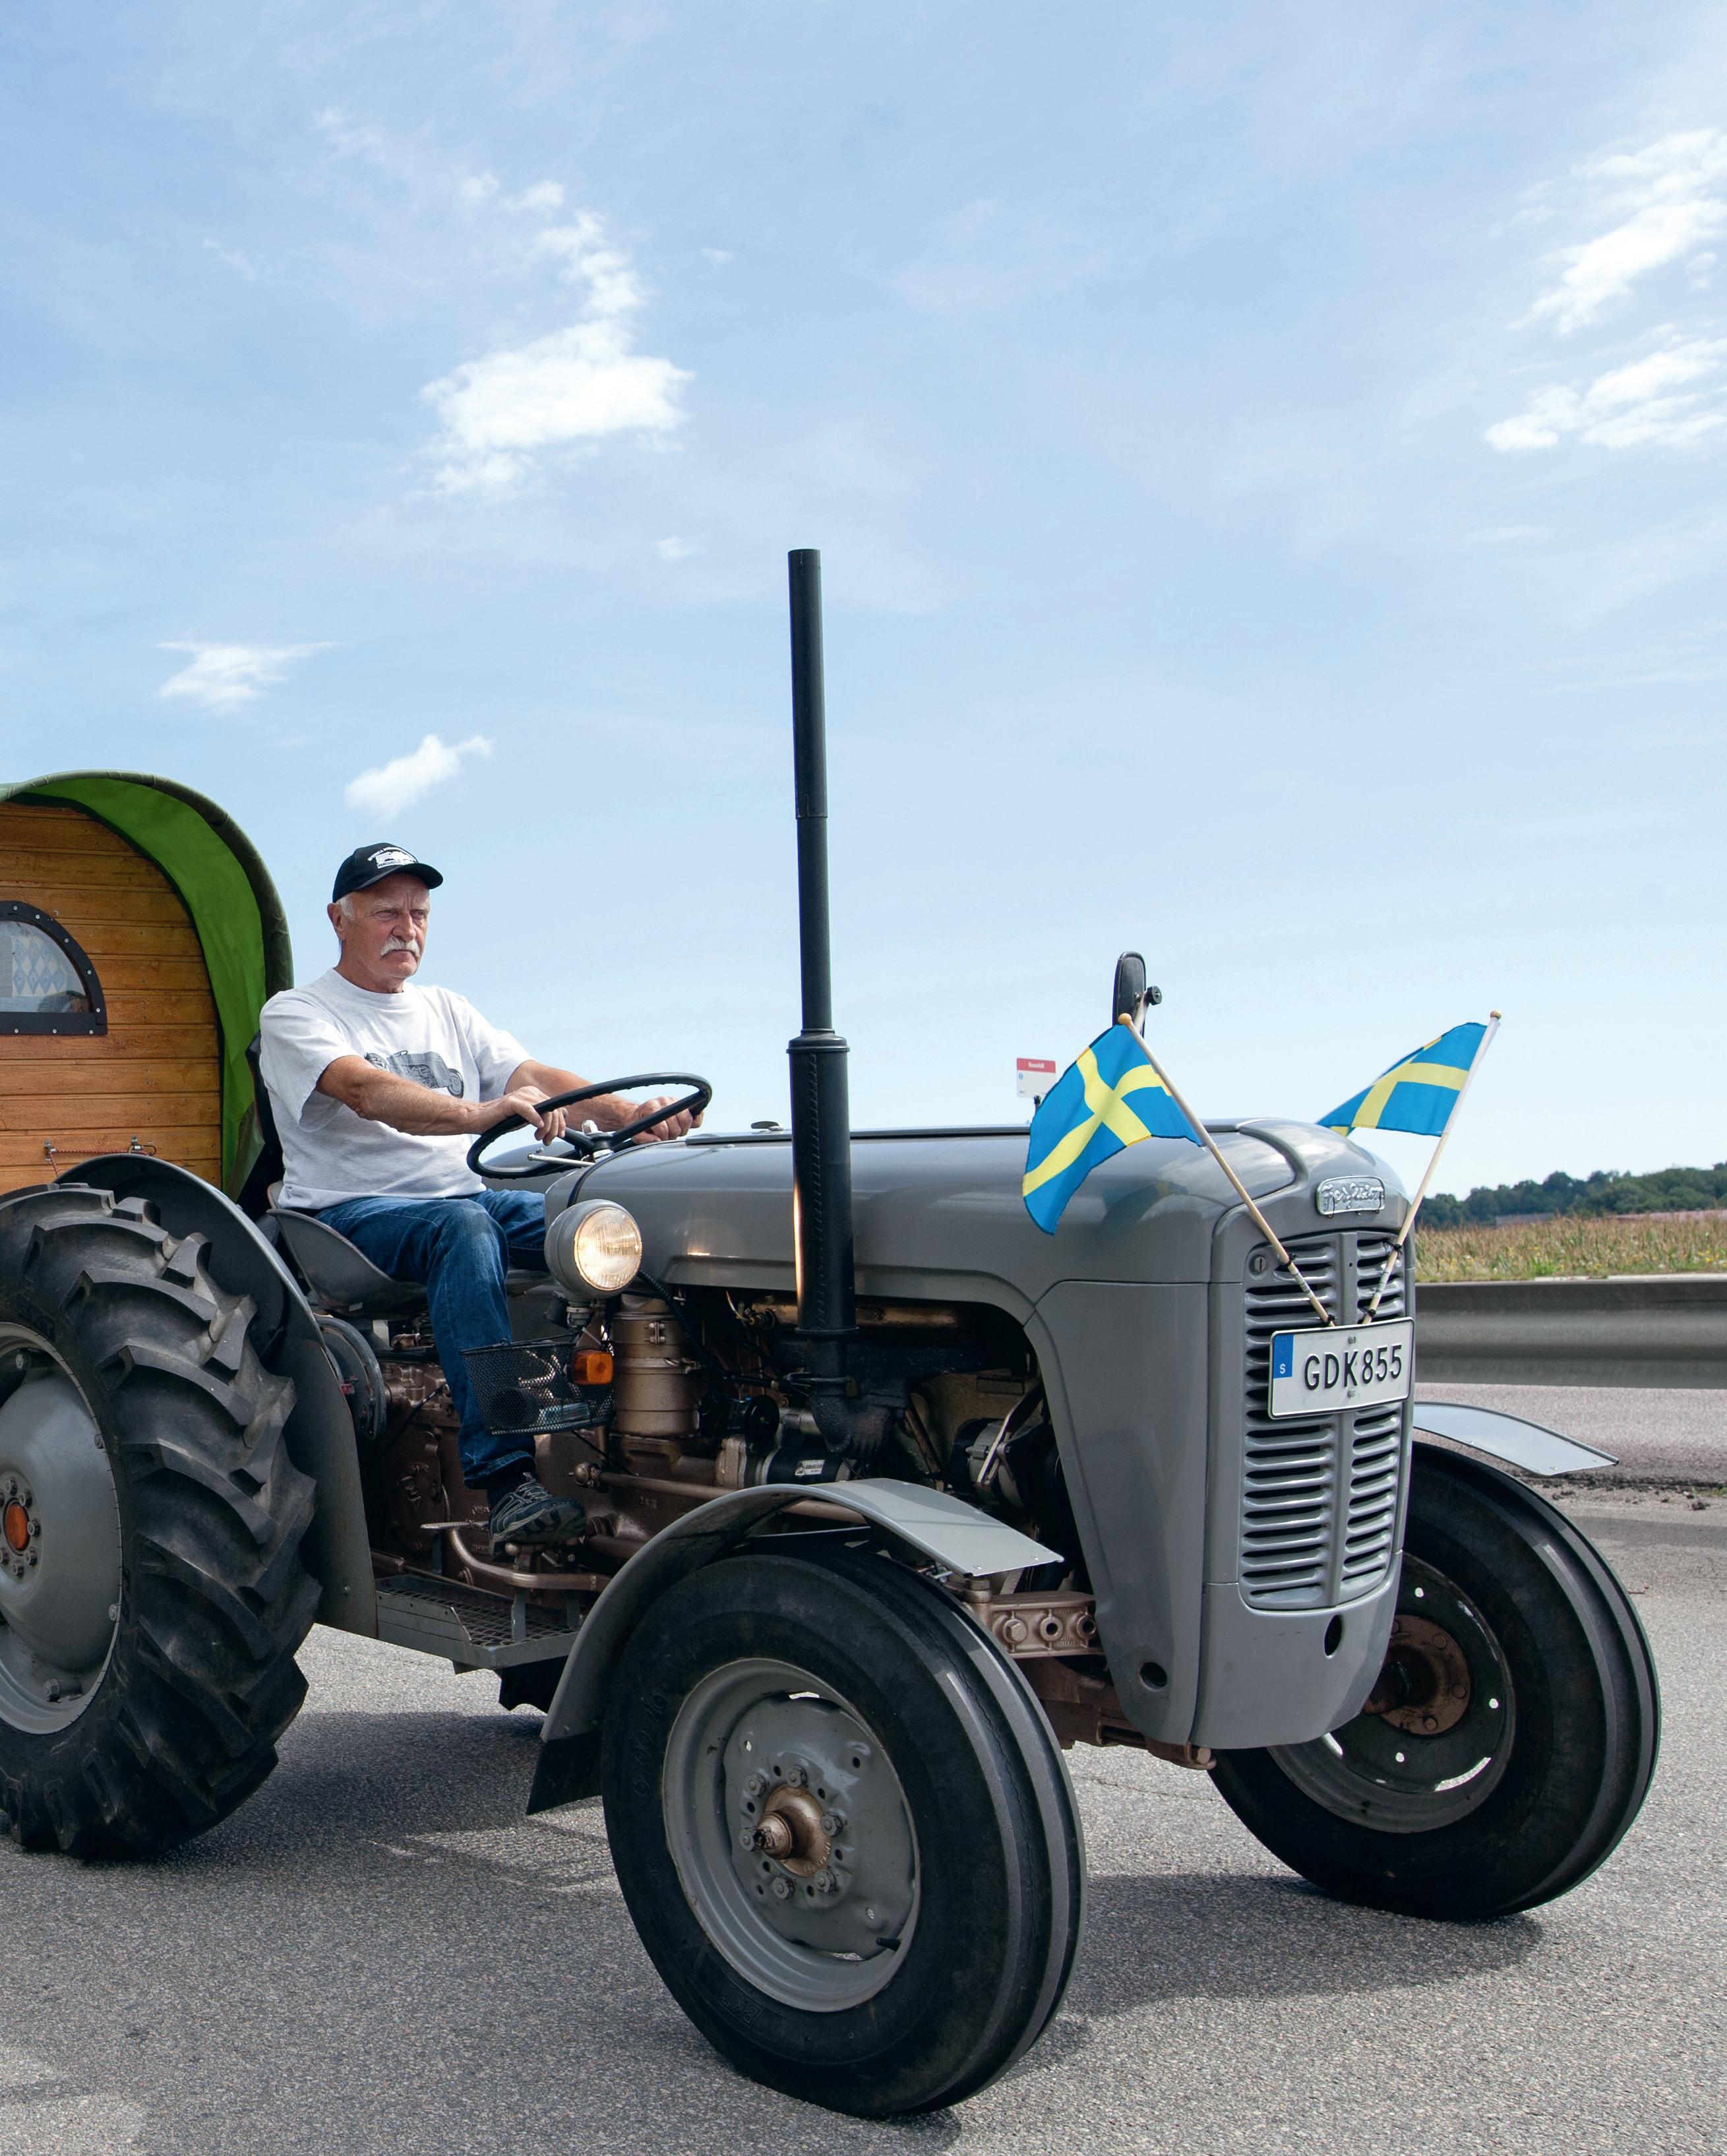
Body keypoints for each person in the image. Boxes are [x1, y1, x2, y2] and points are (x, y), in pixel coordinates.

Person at [258, 842, 696, 1555]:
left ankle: (663, 1438)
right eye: (387, 913)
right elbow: (364, 1090)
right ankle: (506, 1481)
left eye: (419, 914)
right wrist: (478, 1113)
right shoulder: (298, 1013)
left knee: (598, 1225)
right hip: (349, 1215)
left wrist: (630, 1115)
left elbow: (530, 1074)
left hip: (460, 1199)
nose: (407, 929)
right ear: (339, 919)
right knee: (464, 1228)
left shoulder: (447, 1008)